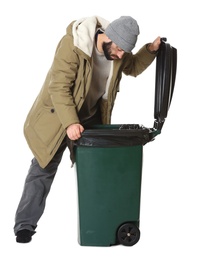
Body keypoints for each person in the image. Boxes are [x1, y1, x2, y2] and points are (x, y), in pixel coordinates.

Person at [14, 15, 161, 243]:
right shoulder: (73, 45)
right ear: (108, 37)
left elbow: (131, 66)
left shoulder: (118, 52)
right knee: (43, 169)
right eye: (120, 49)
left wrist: (150, 50)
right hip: (57, 118)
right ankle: (24, 225)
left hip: (90, 119)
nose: (121, 55)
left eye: (124, 51)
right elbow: (59, 87)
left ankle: (101, 220)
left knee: (98, 169)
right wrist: (71, 122)